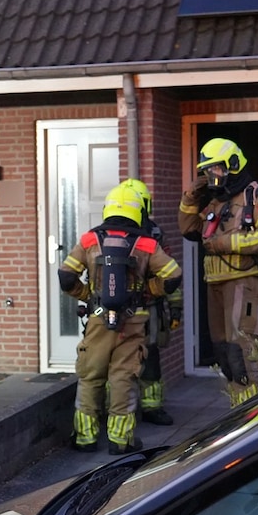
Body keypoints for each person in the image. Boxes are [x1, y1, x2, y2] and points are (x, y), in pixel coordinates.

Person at [58, 182, 181, 455]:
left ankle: (85, 437)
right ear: (138, 211)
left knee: (90, 376)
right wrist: (149, 291)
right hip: (133, 321)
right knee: (124, 378)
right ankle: (121, 440)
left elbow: (66, 276)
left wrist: (88, 295)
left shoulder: (90, 240)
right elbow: (173, 275)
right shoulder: (147, 243)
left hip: (97, 320)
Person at [178, 138, 258, 406]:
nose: (213, 176)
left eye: (217, 169)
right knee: (224, 354)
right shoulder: (216, 202)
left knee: (241, 355)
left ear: (234, 165)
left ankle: (253, 420)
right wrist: (192, 192)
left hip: (245, 282)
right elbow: (189, 228)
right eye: (208, 171)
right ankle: (239, 413)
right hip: (216, 282)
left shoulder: (257, 195)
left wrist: (223, 243)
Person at [122, 178, 182, 426]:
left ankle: (152, 407)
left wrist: (175, 307)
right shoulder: (113, 232)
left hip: (151, 304)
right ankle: (118, 409)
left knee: (152, 356)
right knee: (120, 358)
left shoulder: (155, 232)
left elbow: (170, 272)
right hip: (124, 306)